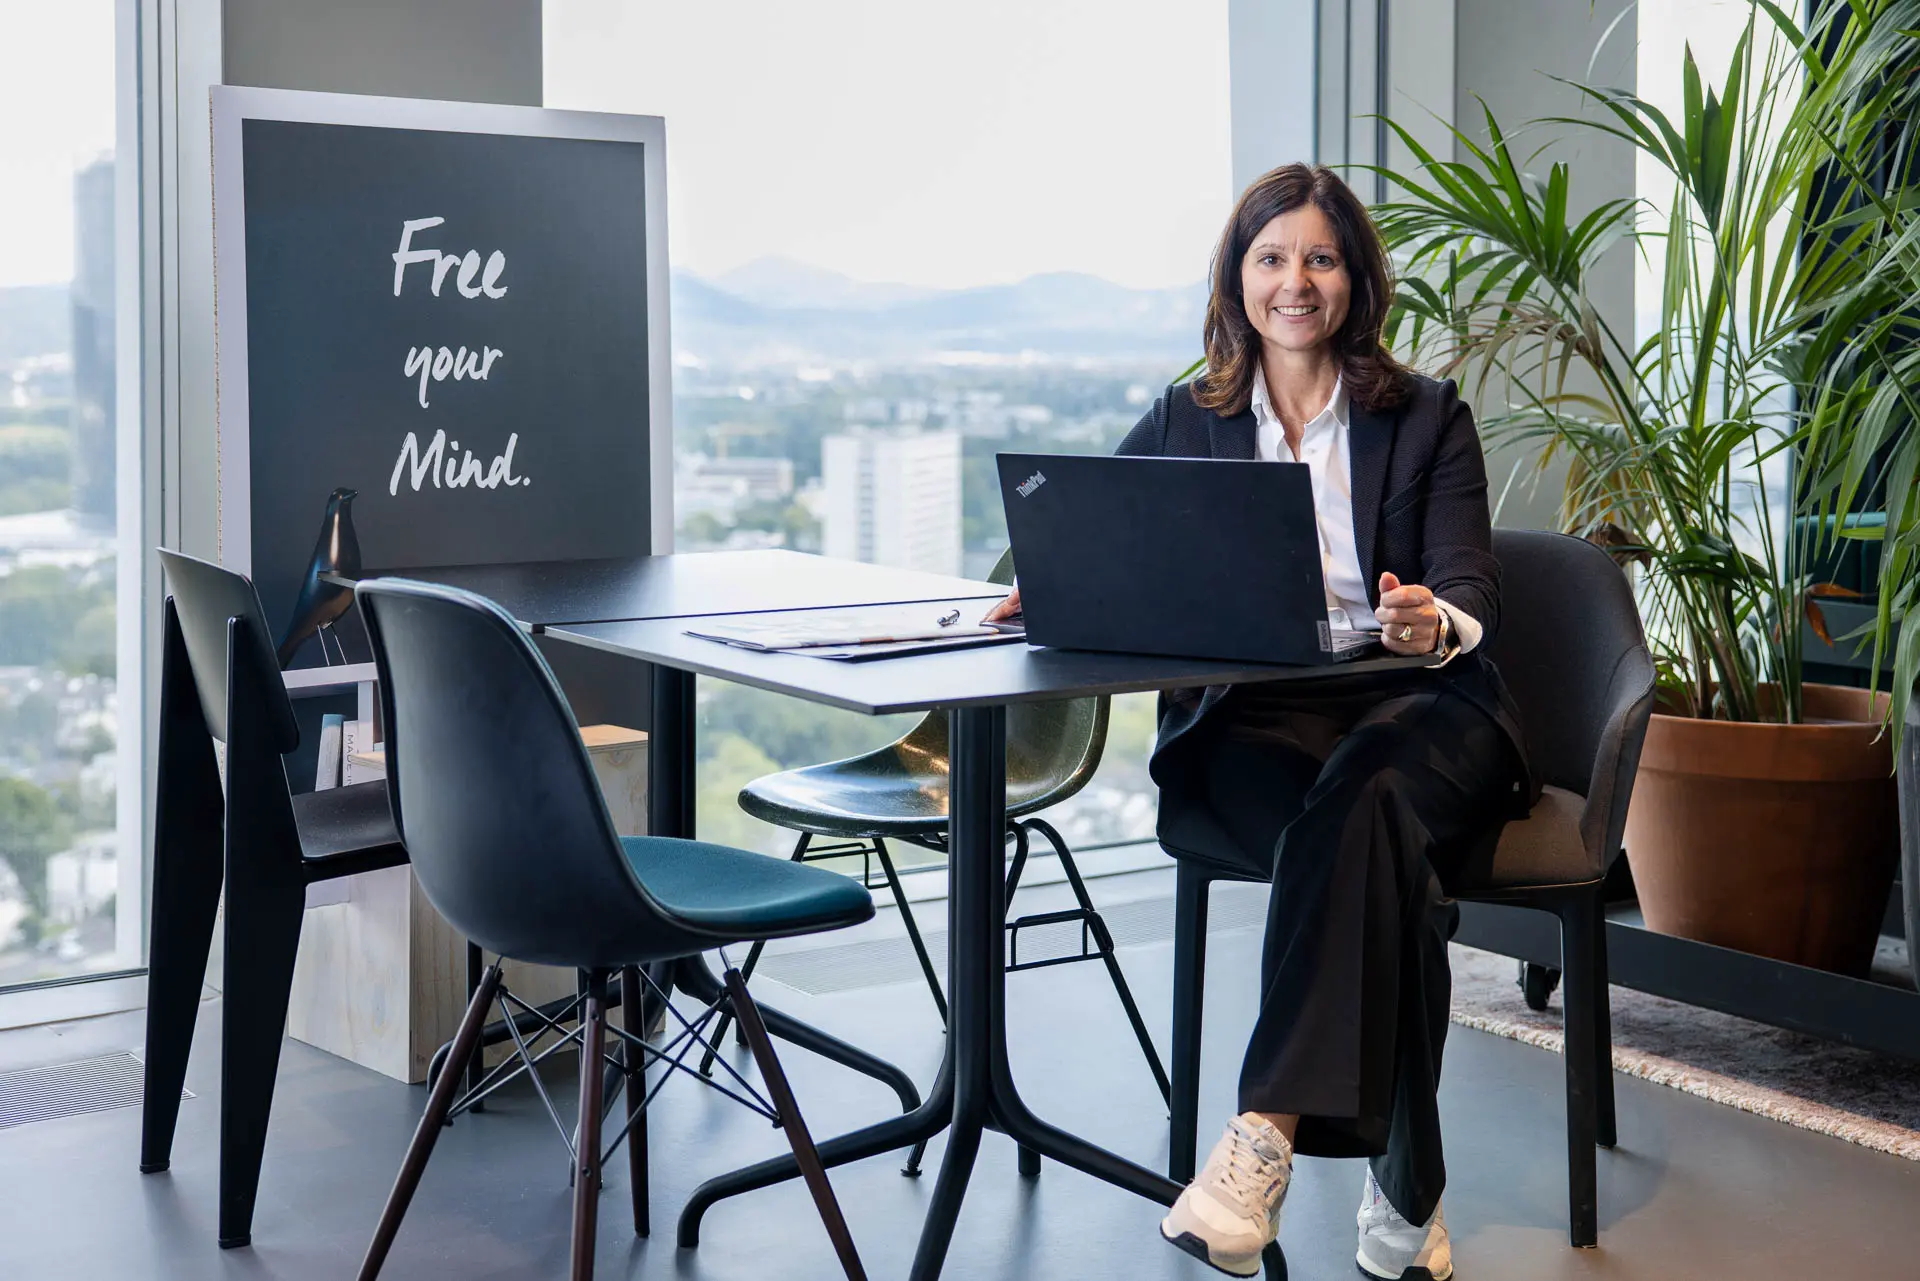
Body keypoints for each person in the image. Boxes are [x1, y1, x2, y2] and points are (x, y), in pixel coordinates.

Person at [986, 163, 1531, 1280]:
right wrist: (1055, 583)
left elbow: (1471, 584)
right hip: (1257, 725)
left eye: (1321, 258)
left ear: (1356, 281)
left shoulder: (1428, 417)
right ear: (1239, 279)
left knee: (1372, 793)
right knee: (1397, 890)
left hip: (1420, 705)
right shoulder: (1186, 418)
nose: (1296, 281)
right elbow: (1101, 538)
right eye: (1272, 257)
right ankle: (1405, 1199)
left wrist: (1435, 624)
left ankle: (1261, 1137)